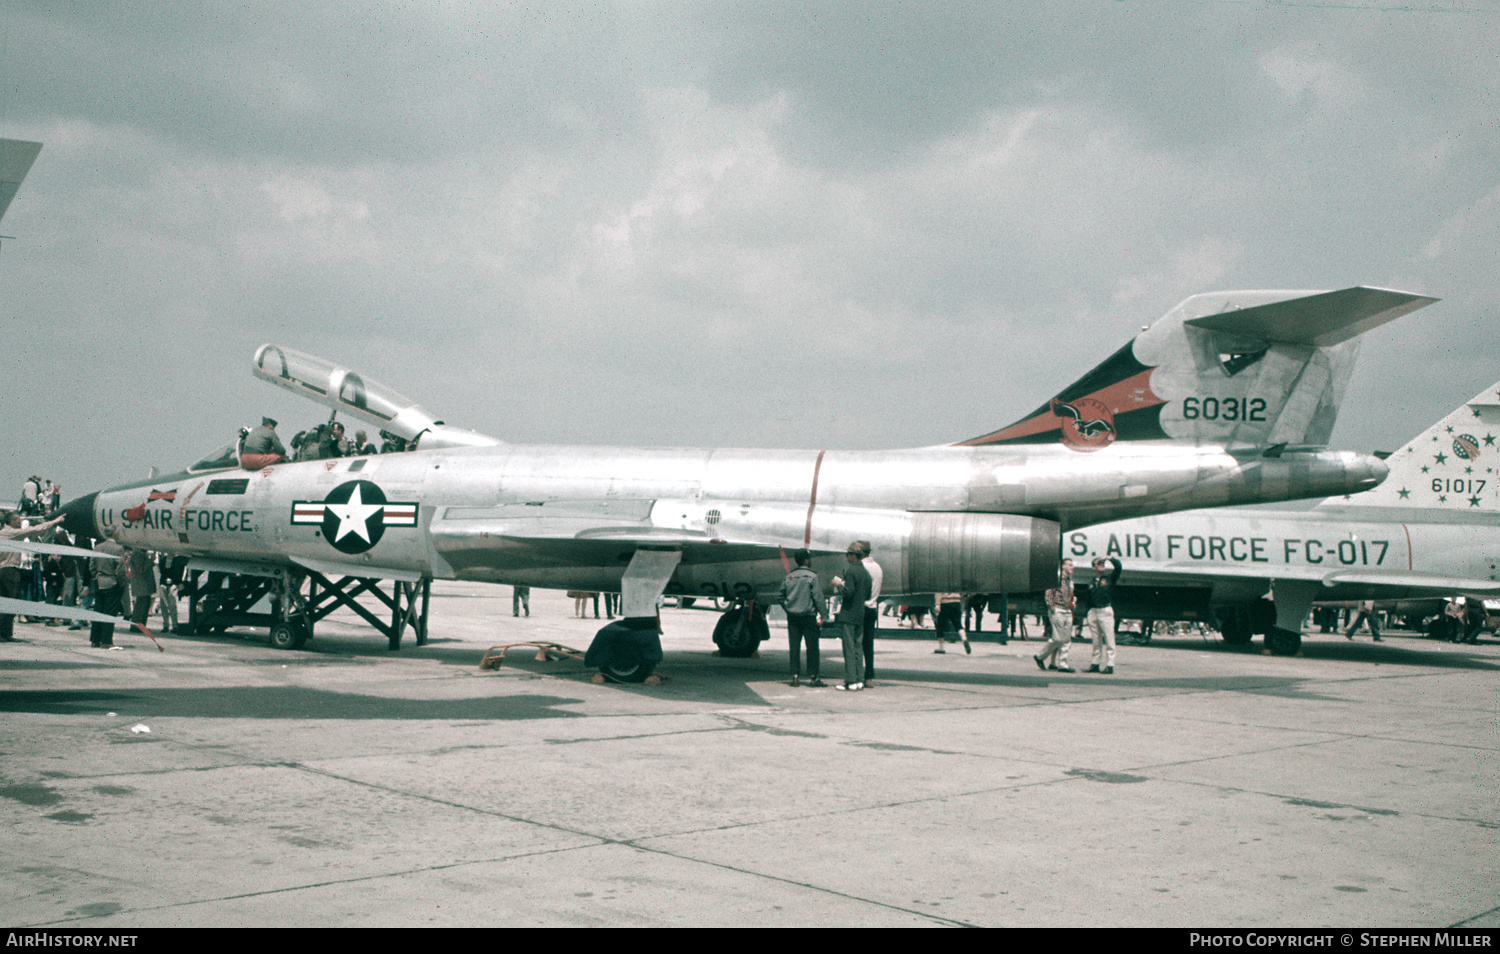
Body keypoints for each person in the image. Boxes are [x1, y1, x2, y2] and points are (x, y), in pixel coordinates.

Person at [0, 510, 64, 641]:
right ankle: (5, 633)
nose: (20, 522)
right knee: (12, 602)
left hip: (4, 570)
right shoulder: (11, 533)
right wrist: (55, 522)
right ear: (11, 521)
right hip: (10, 570)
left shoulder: (4, 533)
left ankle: (5, 633)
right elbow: (33, 529)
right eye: (18, 520)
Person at [777, 548, 826, 687]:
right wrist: (824, 616)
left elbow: (780, 596)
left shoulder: (789, 576)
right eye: (809, 558)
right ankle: (814, 677)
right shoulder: (812, 577)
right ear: (806, 560)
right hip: (808, 616)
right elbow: (818, 598)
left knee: (794, 647)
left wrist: (788, 607)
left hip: (793, 617)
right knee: (812, 648)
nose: (811, 560)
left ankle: (795, 676)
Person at [830, 542, 872, 690]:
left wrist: (838, 584)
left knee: (848, 648)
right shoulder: (865, 573)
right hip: (860, 613)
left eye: (848, 554)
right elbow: (868, 595)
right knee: (857, 648)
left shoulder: (851, 571)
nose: (847, 557)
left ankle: (850, 681)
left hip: (848, 614)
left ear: (854, 555)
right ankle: (859, 679)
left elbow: (848, 593)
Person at [1034, 559, 1077, 672]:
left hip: (1067, 610)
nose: (1072, 567)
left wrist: (1071, 604)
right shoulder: (1056, 579)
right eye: (1069, 565)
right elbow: (1048, 594)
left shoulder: (1069, 581)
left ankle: (1063, 664)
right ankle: (1040, 656)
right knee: (1057, 638)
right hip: (1058, 609)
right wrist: (1052, 608)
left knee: (1066, 639)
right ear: (1063, 566)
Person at [1081, 556, 1122, 673]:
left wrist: (1110, 558)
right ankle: (1095, 663)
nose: (1102, 564)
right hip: (1094, 611)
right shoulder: (1092, 582)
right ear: (1094, 567)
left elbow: (1118, 567)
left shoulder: (1109, 579)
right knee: (1096, 640)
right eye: (1099, 563)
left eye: (1103, 563)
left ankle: (1110, 664)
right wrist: (1088, 612)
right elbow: (1088, 598)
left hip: (1105, 610)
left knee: (1109, 638)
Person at [90, 536, 127, 648]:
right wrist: (120, 583)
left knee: (98, 611)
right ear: (115, 534)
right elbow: (120, 568)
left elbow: (91, 566)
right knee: (109, 612)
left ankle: (95, 640)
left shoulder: (97, 547)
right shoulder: (118, 549)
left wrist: (95, 576)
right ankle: (106, 640)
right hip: (111, 582)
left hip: (99, 581)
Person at [856, 540, 882, 685]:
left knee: (856, 643)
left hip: (860, 608)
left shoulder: (860, 567)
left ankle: (857, 674)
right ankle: (869, 676)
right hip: (872, 608)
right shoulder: (877, 567)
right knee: (868, 644)